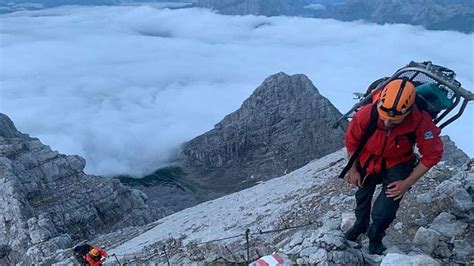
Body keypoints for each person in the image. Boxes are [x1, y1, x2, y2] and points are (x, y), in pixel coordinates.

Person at [343, 78, 444, 255]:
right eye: (385, 118)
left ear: (408, 112)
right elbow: (352, 141)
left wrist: (407, 183)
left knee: (385, 210)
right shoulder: (366, 114)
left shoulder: (420, 120)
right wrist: (353, 168)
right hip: (368, 159)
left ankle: (375, 237)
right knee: (362, 196)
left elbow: (432, 154)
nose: (388, 123)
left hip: (398, 162)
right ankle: (360, 226)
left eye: (395, 121)